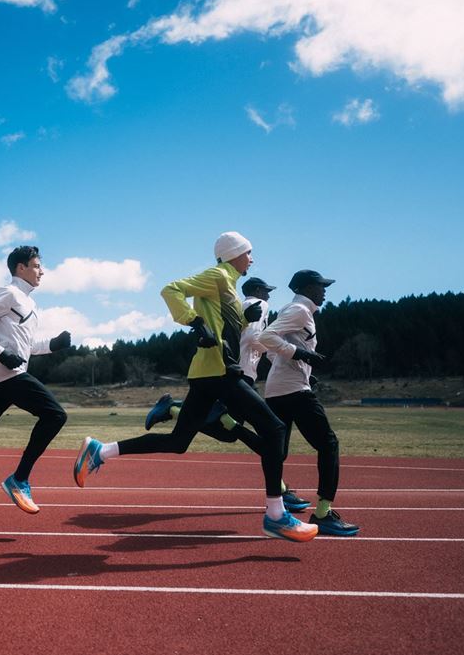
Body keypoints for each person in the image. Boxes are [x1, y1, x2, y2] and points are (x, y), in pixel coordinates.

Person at [71, 232, 317, 542]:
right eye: (248, 253)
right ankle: (276, 515)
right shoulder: (216, 275)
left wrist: (244, 317)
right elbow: (171, 289)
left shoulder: (227, 283)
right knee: (275, 430)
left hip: (209, 372)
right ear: (234, 254)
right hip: (218, 371)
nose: (252, 259)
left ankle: (101, 450)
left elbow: (223, 324)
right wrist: (193, 322)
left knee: (178, 441)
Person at [143, 277, 314, 512]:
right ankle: (280, 494)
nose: (269, 296)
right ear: (256, 290)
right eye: (266, 291)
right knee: (271, 433)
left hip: (229, 370)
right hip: (240, 375)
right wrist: (281, 349)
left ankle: (173, 409)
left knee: (230, 433)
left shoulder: (239, 307)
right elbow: (255, 339)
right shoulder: (259, 306)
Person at [0, 245, 71, 513]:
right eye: (36, 266)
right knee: (55, 415)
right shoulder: (7, 293)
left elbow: (27, 345)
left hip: (6, 378)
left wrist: (53, 344)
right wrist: (0, 353)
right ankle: (19, 479)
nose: (41, 271)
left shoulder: (30, 303)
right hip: (7, 375)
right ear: (21, 268)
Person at [257, 270, 359, 536]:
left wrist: (299, 366)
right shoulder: (300, 310)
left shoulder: (295, 310)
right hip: (293, 391)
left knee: (278, 450)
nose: (324, 290)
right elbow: (266, 338)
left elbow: (271, 349)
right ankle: (323, 513)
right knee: (328, 444)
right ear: (307, 288)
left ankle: (279, 499)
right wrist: (300, 355)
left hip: (277, 389)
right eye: (320, 286)